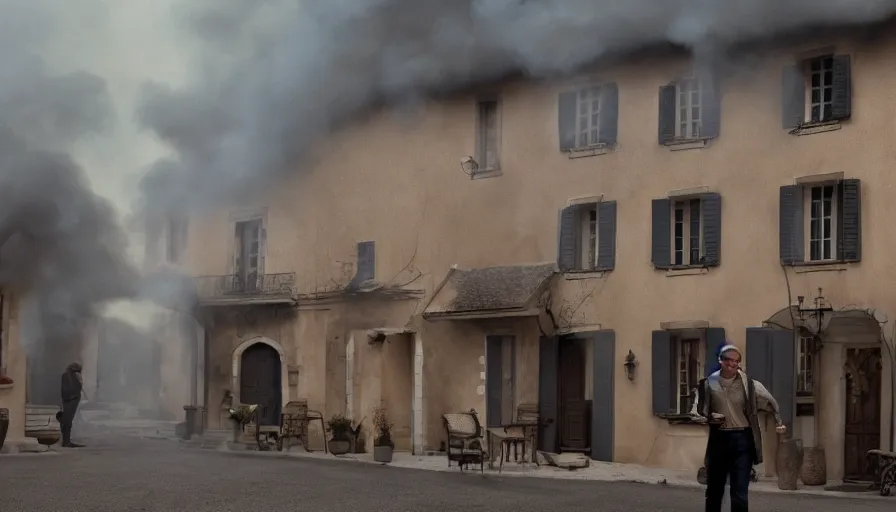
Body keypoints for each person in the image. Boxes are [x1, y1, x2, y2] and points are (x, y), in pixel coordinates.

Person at [696, 344, 786, 512]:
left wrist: (779, 420)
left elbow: (771, 401)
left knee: (740, 492)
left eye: (736, 361)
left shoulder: (750, 385)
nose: (733, 364)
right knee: (715, 490)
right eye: (729, 360)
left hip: (742, 440)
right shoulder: (709, 383)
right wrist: (709, 417)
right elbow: (697, 411)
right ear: (720, 361)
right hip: (719, 440)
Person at [59, 362, 85, 448]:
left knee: (67, 421)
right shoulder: (68, 376)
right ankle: (66, 442)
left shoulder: (69, 376)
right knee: (67, 421)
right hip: (70, 400)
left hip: (70, 400)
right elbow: (74, 388)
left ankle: (66, 441)